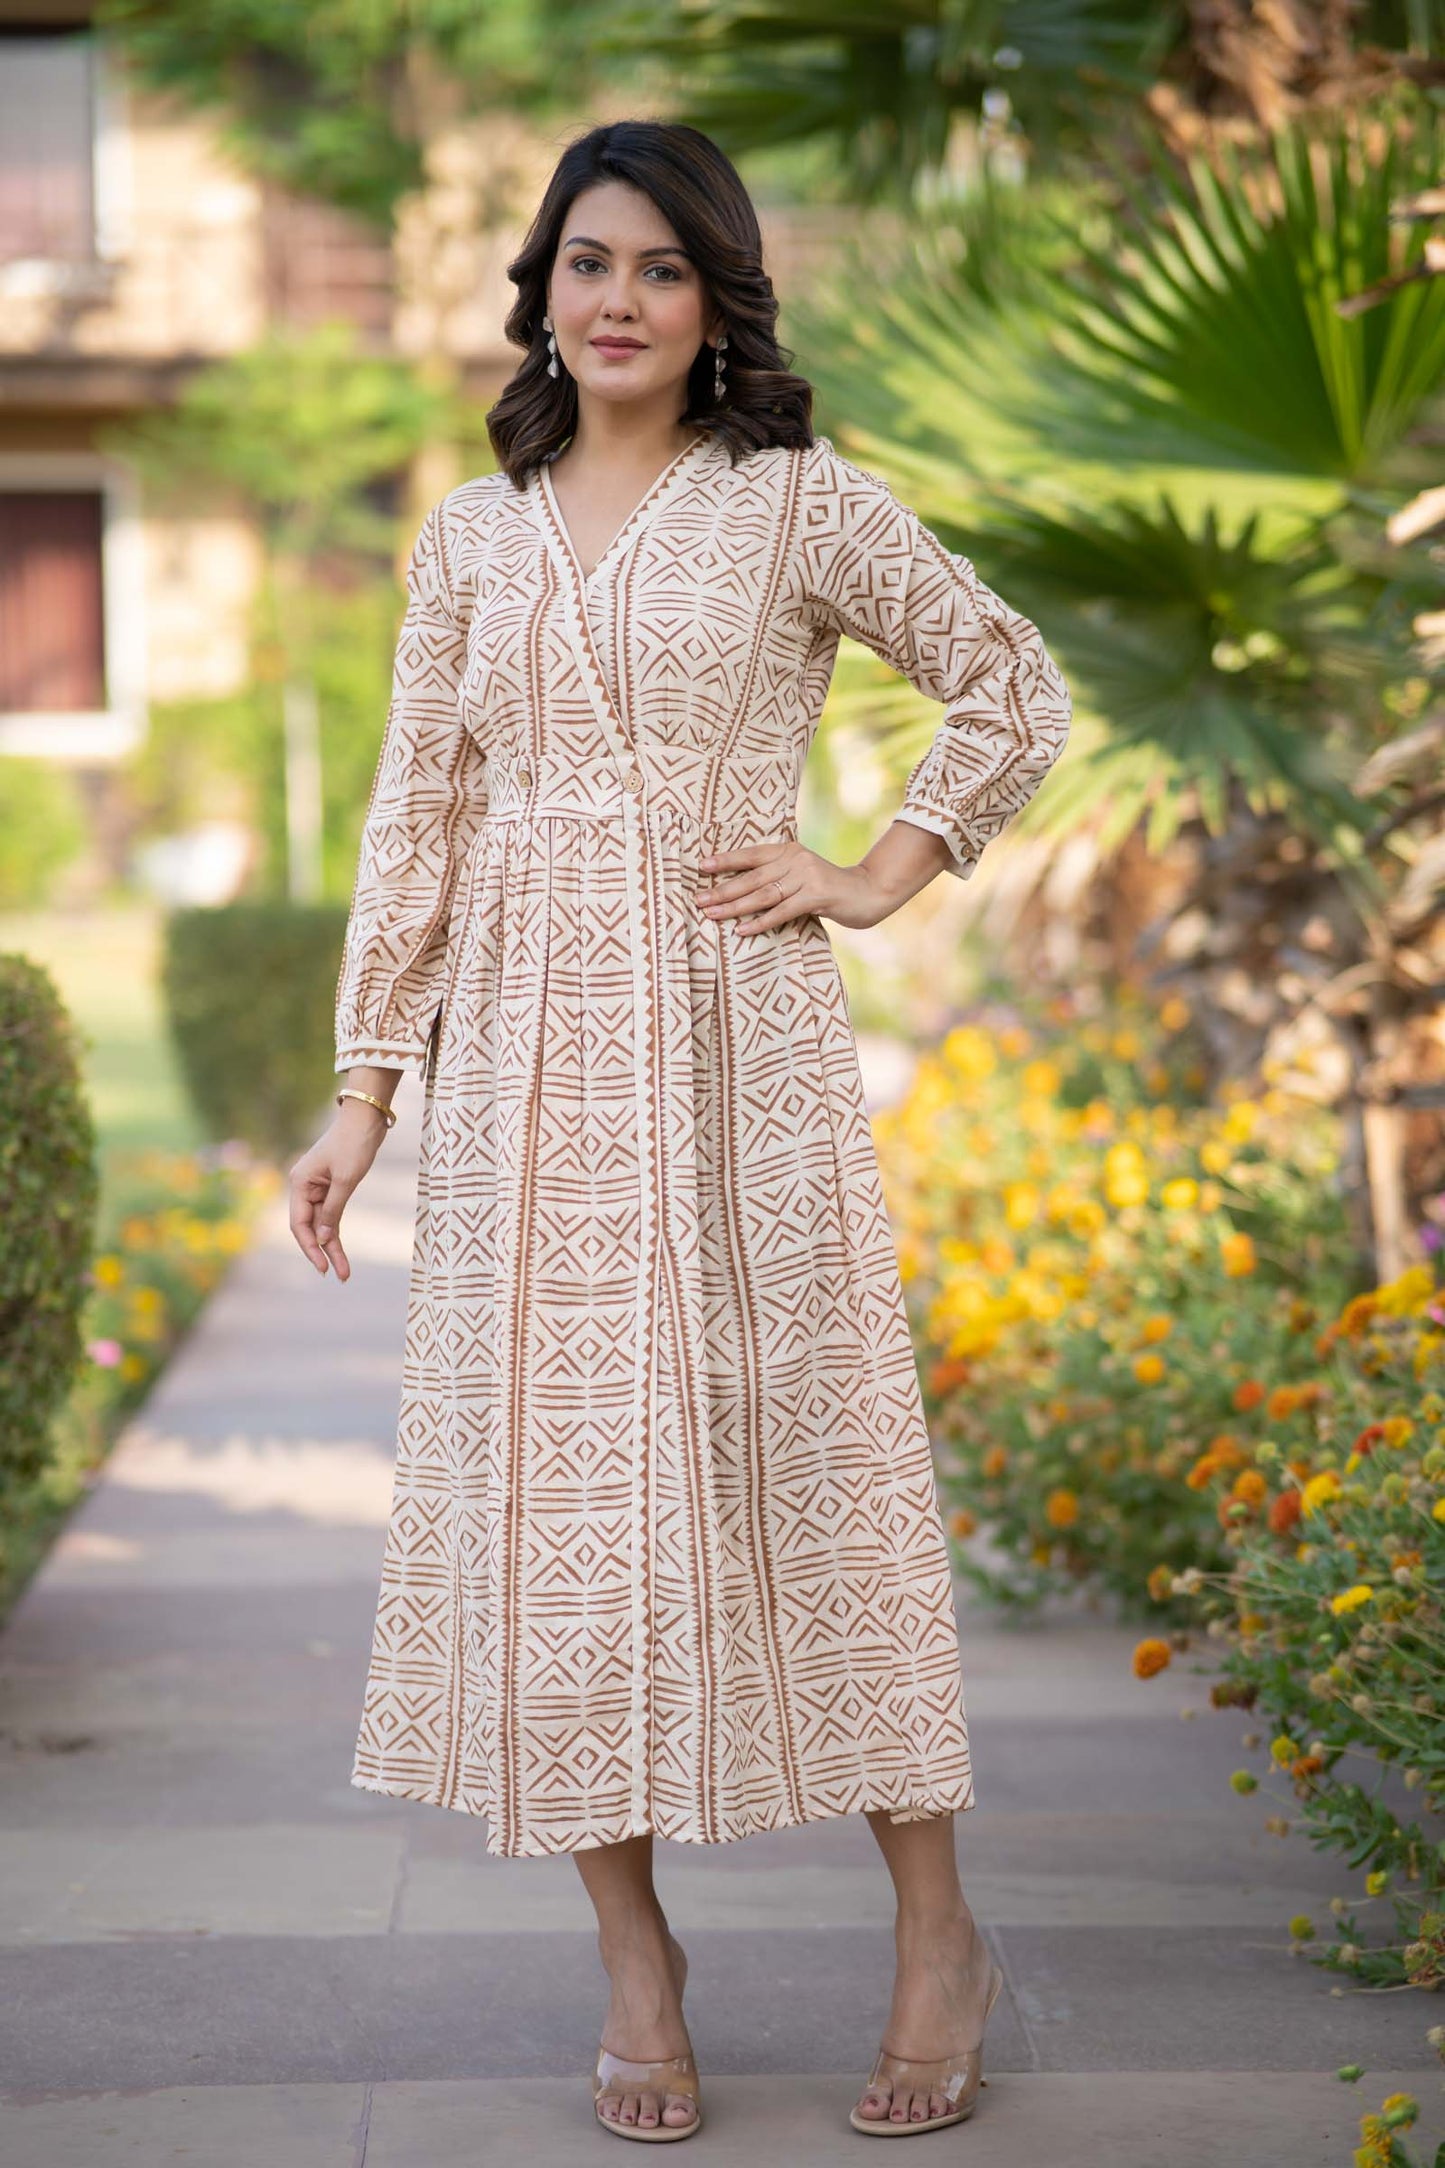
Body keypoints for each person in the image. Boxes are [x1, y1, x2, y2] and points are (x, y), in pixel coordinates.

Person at [289, 117, 1071, 2144]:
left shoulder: (796, 499)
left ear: (719, 297)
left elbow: (1007, 681)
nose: (617, 299)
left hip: (739, 1051)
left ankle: (937, 1935)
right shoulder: (470, 538)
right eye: (586, 262)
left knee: (811, 1467)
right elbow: (417, 817)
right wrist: (365, 1091)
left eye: (658, 265)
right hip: (523, 1075)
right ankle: (636, 1963)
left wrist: (879, 871)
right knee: (552, 1505)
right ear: (540, 289)